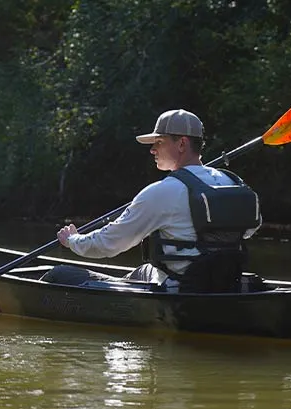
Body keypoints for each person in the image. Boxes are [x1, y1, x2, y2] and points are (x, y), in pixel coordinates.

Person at [40, 109, 262, 293]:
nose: (152, 149)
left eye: (159, 142)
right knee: (142, 271)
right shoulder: (232, 181)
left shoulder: (161, 192)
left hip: (181, 289)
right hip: (225, 283)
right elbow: (250, 229)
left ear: (182, 144)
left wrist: (73, 240)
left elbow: (109, 244)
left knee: (59, 274)